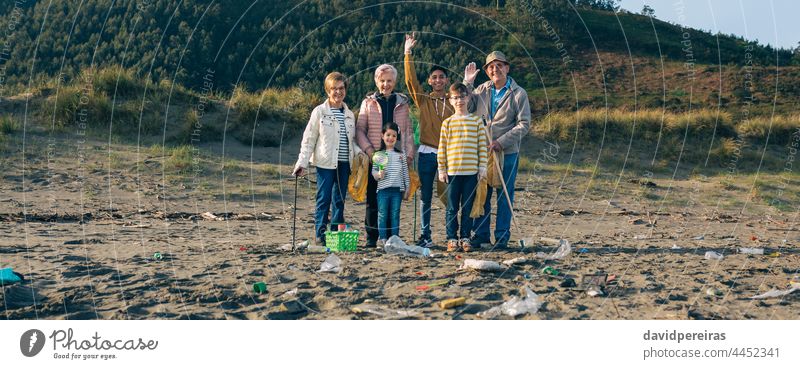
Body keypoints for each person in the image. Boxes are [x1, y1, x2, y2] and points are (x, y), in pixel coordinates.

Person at [463, 51, 531, 249]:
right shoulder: (481, 89)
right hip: (482, 151)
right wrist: (467, 83)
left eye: (499, 65)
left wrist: (501, 142)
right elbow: (465, 106)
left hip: (506, 153)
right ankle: (481, 235)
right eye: (491, 67)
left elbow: (524, 124)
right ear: (487, 71)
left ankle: (502, 237)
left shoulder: (519, 93)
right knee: (482, 194)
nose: (495, 69)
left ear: (507, 68)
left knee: (504, 195)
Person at [293, 72, 358, 246]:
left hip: (345, 164)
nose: (338, 92)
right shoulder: (319, 112)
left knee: (339, 200)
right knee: (323, 199)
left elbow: (352, 141)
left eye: (341, 88)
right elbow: (309, 139)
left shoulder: (350, 114)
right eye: (334, 89)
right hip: (325, 163)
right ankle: (320, 235)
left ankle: (336, 236)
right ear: (328, 91)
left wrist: (363, 155)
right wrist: (302, 163)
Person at [404, 32, 454, 248]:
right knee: (425, 197)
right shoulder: (423, 100)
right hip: (425, 154)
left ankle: (451, 235)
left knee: (449, 195)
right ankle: (426, 235)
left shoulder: (454, 101)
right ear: (429, 81)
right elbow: (410, 81)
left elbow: (469, 101)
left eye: (441, 77)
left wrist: (469, 83)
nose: (437, 80)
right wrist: (408, 53)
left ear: (447, 80)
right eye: (434, 77)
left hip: (448, 155)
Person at [356, 64, 414, 248]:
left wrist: (409, 155)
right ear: (376, 81)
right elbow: (359, 130)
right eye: (382, 81)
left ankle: (391, 237)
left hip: (396, 158)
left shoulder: (402, 104)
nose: (385, 84)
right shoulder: (368, 103)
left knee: (393, 201)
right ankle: (372, 238)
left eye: (389, 81)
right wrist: (370, 152)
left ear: (394, 82)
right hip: (376, 158)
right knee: (373, 200)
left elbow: (408, 131)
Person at [437, 83, 487, 252]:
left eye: (462, 97)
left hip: (471, 173)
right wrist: (442, 169)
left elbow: (482, 146)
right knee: (452, 208)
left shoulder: (477, 121)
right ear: (450, 100)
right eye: (455, 98)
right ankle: (451, 238)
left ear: (468, 97)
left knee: (467, 207)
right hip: (452, 173)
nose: (459, 101)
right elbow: (442, 148)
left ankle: (465, 237)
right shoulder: (447, 123)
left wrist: (482, 168)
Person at [372, 122, 411, 247]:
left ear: (397, 138)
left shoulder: (401, 154)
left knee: (395, 214)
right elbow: (374, 171)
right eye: (388, 135)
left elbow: (405, 171)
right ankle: (382, 238)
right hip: (383, 190)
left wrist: (407, 187)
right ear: (382, 136)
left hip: (397, 190)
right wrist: (379, 175)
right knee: (382, 214)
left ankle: (395, 238)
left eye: (394, 136)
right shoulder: (379, 155)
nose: (391, 138)